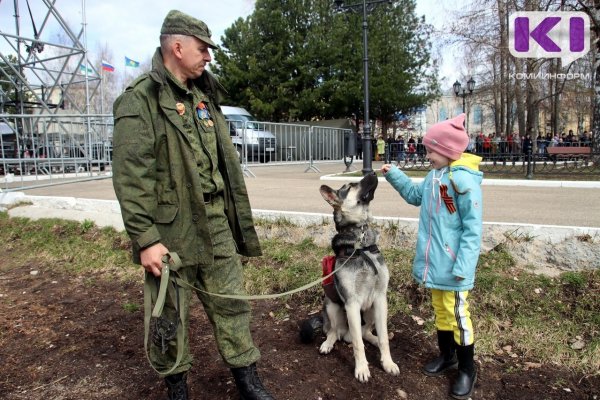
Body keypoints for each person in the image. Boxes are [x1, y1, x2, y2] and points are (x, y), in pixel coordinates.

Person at [111, 10, 274, 400]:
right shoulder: (140, 101)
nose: (209, 57)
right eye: (203, 49)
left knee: (232, 302)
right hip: (170, 229)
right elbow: (131, 177)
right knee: (169, 314)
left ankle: (246, 378)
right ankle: (177, 386)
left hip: (214, 219)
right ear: (177, 46)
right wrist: (146, 239)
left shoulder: (205, 97)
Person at [381, 114, 483, 400]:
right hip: (436, 264)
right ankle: (447, 356)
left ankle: (466, 368)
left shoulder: (463, 181)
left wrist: (464, 264)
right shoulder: (433, 177)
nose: (427, 155)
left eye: (430, 150)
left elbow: (472, 229)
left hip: (455, 267)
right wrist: (395, 175)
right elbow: (416, 195)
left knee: (458, 315)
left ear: (448, 150)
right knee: (440, 311)